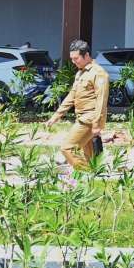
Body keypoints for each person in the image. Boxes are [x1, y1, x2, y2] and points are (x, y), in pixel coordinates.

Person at [46, 39, 109, 170]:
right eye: (72, 59)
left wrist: (97, 124)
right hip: (81, 117)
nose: (74, 62)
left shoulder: (98, 73)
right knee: (92, 158)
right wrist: (56, 116)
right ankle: (93, 178)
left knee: (67, 148)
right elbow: (72, 96)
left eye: (76, 59)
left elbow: (101, 100)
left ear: (86, 55)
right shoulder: (80, 73)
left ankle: (83, 173)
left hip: (89, 119)